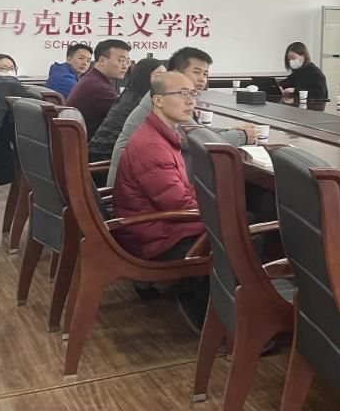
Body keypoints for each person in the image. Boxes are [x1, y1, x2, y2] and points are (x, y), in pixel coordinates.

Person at [112, 71, 206, 329]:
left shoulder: (160, 134)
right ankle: (203, 309)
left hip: (152, 226)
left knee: (238, 218)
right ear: (158, 100)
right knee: (240, 231)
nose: (191, 100)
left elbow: (177, 195)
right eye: (183, 94)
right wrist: (220, 205)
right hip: (153, 238)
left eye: (193, 94)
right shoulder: (153, 146)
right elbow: (179, 205)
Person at [107, 47, 256, 187]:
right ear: (175, 73)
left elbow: (197, 130)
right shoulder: (166, 100)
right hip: (136, 190)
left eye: (205, 74)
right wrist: (242, 136)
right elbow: (200, 141)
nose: (202, 79)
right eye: (197, 72)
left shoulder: (170, 95)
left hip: (143, 183)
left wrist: (229, 131)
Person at [88, 58, 165, 162]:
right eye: (159, 76)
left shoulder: (129, 95)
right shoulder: (142, 102)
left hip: (98, 154)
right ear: (145, 78)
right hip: (107, 159)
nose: (165, 81)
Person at [66, 39, 131, 138]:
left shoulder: (92, 80)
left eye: (127, 61)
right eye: (121, 60)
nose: (125, 66)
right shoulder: (97, 87)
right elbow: (130, 117)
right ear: (102, 61)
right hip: (93, 145)